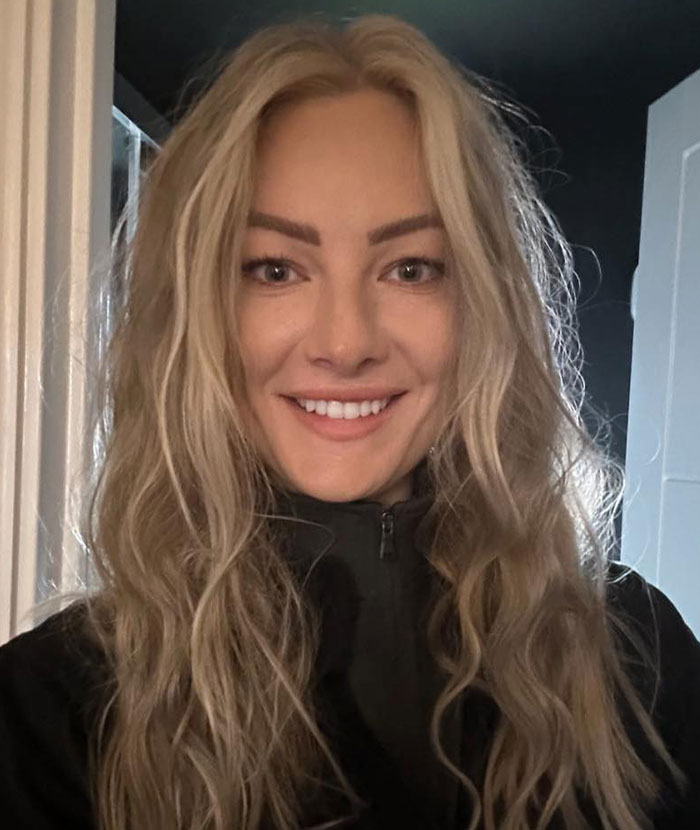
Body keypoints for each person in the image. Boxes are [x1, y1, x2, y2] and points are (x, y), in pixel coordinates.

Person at [0, 12, 698, 830]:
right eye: (274, 268)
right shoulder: (50, 709)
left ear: (482, 304)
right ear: (193, 311)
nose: (345, 342)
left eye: (410, 268)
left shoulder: (640, 657)